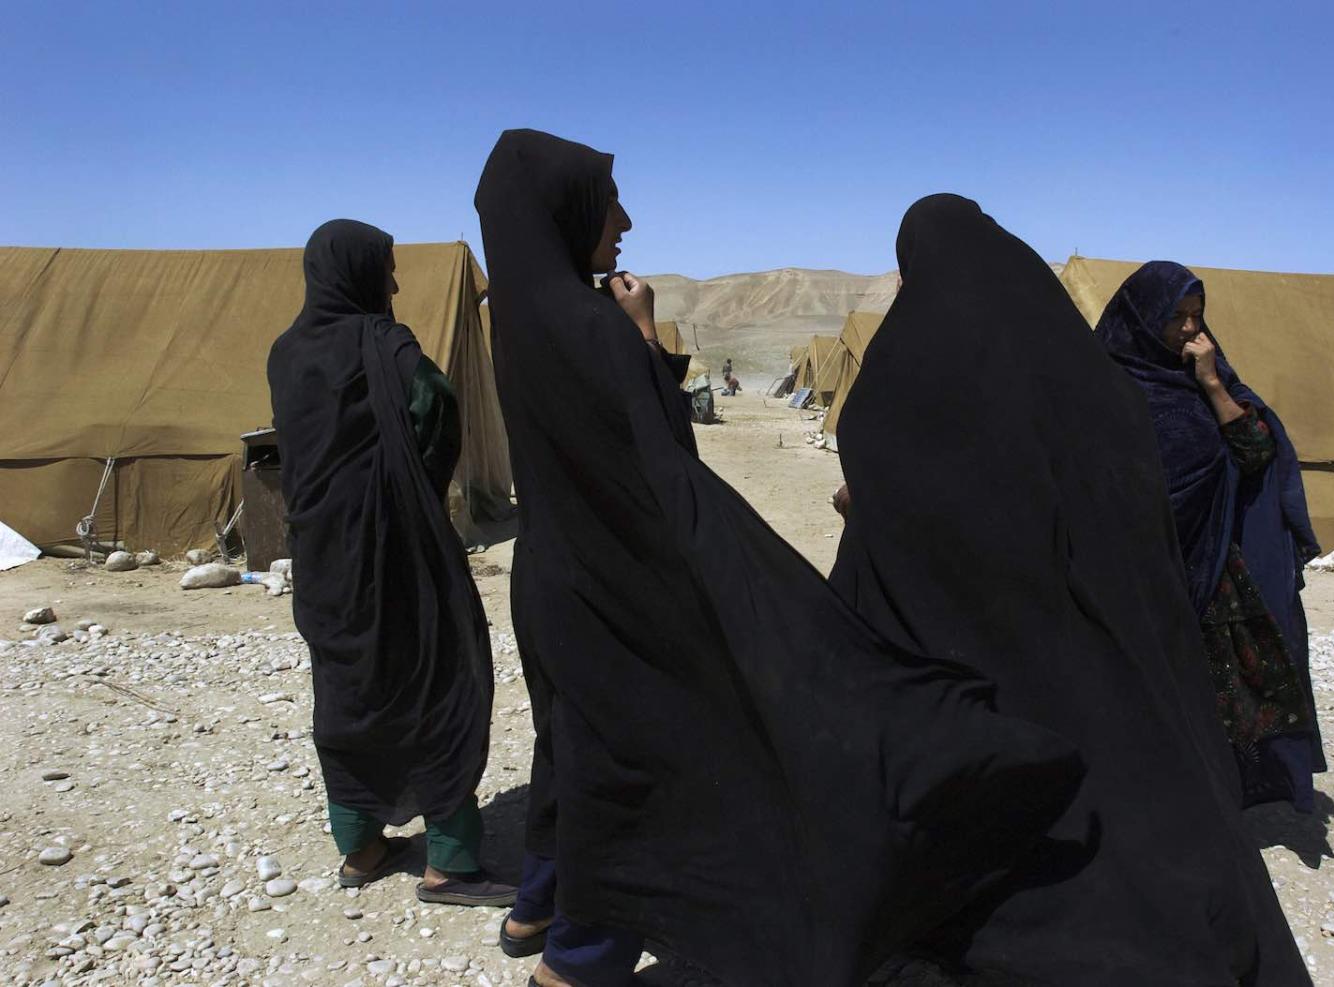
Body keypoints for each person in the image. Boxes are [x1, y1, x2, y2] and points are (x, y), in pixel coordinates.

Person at [475, 130, 1084, 987]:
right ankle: (578, 959)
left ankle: (535, 904)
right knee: (645, 757)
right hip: (625, 579)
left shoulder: (522, 313)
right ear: (565, 209)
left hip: (553, 578)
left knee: (573, 739)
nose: (625, 219)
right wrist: (646, 339)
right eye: (607, 201)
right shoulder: (591, 325)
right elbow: (661, 457)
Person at [829, 195, 1311, 985]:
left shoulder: (906, 369)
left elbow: (896, 491)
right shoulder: (1094, 382)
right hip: (1093, 663)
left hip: (960, 680)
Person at [267, 220, 514, 907]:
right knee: (435, 685)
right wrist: (421, 486)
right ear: (361, 272)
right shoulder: (386, 342)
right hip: (396, 555)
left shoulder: (285, 352)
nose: (396, 282)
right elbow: (437, 403)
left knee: (345, 694)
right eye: (388, 268)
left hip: (321, 558)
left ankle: (362, 844)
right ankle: (451, 862)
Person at [1095, 261, 1325, 813]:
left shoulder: (1209, 375)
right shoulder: (1104, 382)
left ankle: (1218, 808)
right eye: (1177, 317)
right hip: (1141, 570)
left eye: (1197, 317)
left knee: (1226, 695)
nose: (1189, 330)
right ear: (1145, 317)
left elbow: (1255, 453)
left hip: (1214, 567)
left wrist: (1214, 385)